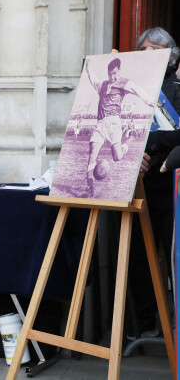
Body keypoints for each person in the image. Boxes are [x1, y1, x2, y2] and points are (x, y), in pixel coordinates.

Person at [126, 27, 180, 340]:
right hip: (136, 181)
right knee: (137, 255)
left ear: (171, 55)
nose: (151, 56)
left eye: (157, 50)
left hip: (170, 182)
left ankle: (175, 327)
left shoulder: (177, 84)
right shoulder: (130, 84)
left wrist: (147, 146)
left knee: (174, 255)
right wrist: (135, 153)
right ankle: (143, 324)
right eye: (144, 50)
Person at [83, 57, 153, 197]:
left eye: (115, 73)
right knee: (92, 154)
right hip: (101, 123)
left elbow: (137, 89)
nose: (112, 76)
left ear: (119, 72)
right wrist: (88, 65)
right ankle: (90, 188)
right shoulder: (102, 85)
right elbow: (92, 77)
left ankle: (131, 138)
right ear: (108, 73)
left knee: (117, 157)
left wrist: (150, 101)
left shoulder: (123, 83)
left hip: (114, 122)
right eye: (110, 73)